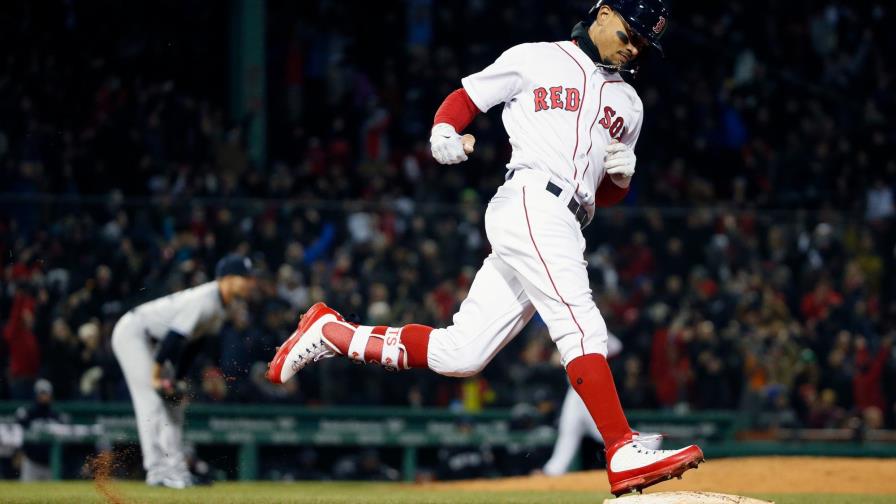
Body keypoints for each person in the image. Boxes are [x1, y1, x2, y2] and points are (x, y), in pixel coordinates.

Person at [267, 0, 703, 495]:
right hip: (531, 201)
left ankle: (333, 333)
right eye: (630, 32)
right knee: (581, 324)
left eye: (643, 42)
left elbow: (601, 193)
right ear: (602, 14)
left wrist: (620, 180)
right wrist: (443, 131)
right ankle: (621, 449)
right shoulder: (536, 58)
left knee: (462, 353)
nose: (634, 46)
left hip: (566, 217)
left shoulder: (630, 103)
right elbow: (467, 96)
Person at [111, 254, 256, 488]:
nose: (250, 282)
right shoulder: (205, 299)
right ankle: (161, 471)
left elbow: (194, 345)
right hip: (135, 334)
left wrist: (177, 379)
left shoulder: (223, 306)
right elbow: (174, 339)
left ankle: (173, 470)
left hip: (156, 344)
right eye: (245, 277)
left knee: (174, 404)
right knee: (152, 401)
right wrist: (158, 377)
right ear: (227, 278)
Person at [542, 334, 662, 476]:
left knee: (600, 432)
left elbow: (616, 345)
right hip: (575, 388)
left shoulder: (591, 327)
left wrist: (596, 351)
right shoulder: (571, 327)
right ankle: (554, 468)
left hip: (588, 385)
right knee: (570, 429)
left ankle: (649, 441)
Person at [15, 379, 68, 481]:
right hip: (31, 462)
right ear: (36, 394)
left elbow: (65, 442)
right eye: (41, 393)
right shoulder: (27, 414)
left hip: (52, 464)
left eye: (46, 393)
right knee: (26, 494)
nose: (44, 396)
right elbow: (18, 434)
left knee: (53, 495)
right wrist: (18, 452)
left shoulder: (57, 416)